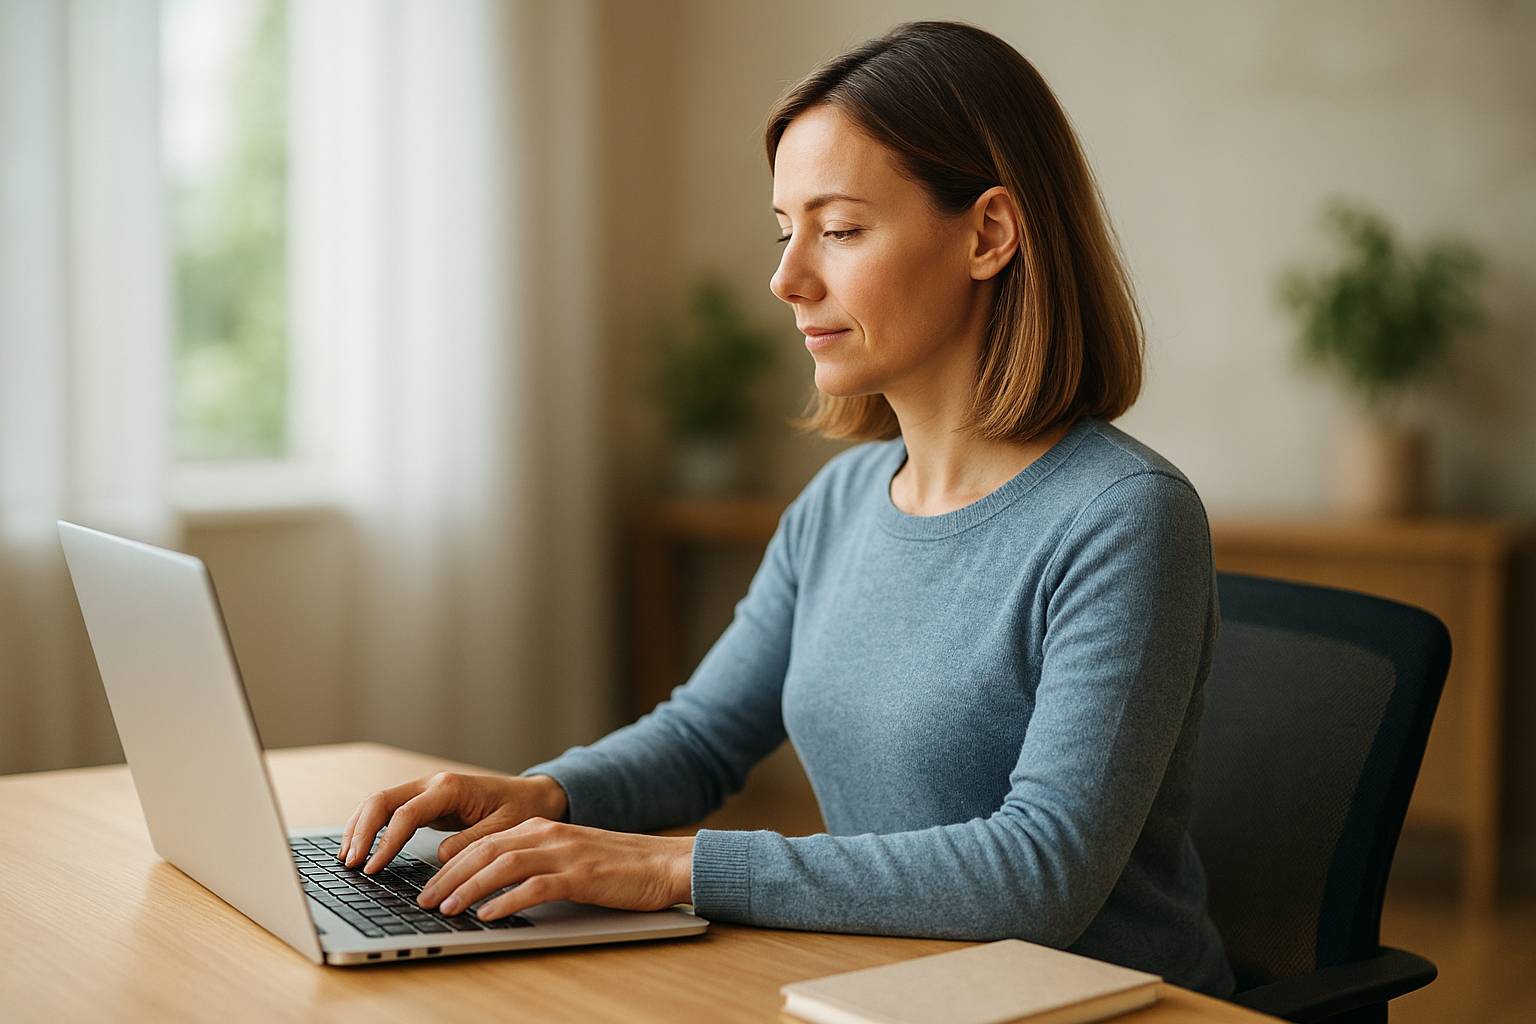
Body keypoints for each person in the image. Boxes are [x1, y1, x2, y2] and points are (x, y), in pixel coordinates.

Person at [337, 19, 1235, 998]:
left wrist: (674, 868)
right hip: (894, 988)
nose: (786, 278)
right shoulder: (840, 501)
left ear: (988, 234)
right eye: (785, 231)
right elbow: (703, 737)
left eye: (839, 230)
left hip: (1100, 1005)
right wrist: (541, 794)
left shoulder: (1124, 518)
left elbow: (1039, 875)